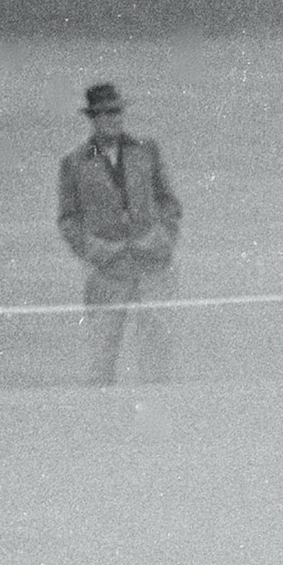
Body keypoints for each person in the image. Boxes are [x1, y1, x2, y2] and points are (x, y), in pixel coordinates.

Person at [56, 82, 182, 386]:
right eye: (105, 113)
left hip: (151, 266)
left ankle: (158, 420)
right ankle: (101, 425)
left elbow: (169, 202)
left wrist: (163, 238)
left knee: (156, 354)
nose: (113, 118)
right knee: (101, 356)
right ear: (93, 118)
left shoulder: (145, 151)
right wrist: (95, 250)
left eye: (117, 111)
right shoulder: (75, 162)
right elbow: (68, 219)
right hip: (107, 271)